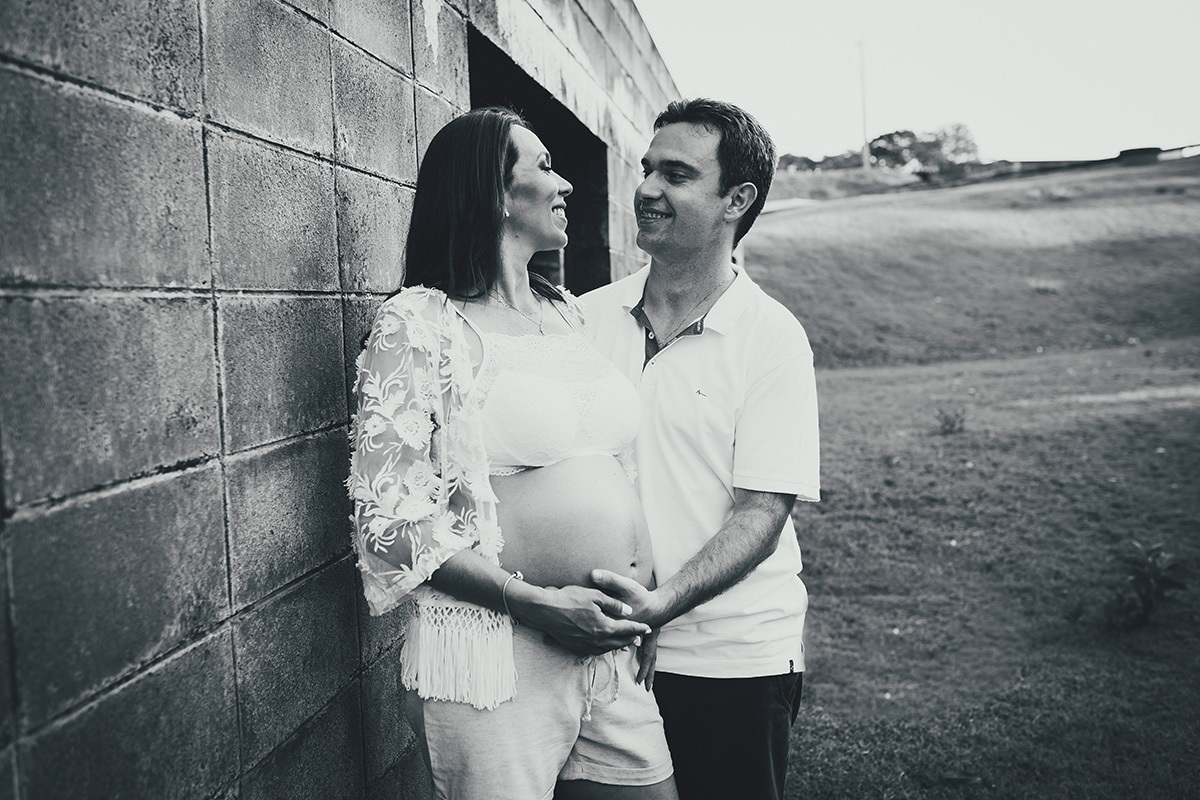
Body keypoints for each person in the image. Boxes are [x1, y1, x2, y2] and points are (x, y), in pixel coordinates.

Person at [347, 107, 677, 800]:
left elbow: (612, 468)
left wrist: (644, 597)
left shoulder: (567, 314)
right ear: (494, 193)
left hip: (610, 648)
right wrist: (536, 604)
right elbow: (389, 524)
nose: (567, 185)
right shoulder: (420, 324)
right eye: (546, 167)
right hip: (495, 662)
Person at [581, 98, 821, 800]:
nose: (648, 189)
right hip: (600, 648)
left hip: (731, 661)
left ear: (736, 201)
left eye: (677, 175)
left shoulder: (772, 339)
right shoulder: (582, 318)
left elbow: (762, 512)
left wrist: (660, 604)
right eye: (647, 169)